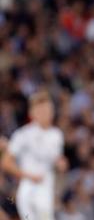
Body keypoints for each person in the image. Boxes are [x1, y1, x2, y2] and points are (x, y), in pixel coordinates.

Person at [1, 91, 67, 220]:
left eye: (48, 109)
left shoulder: (57, 135)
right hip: (30, 190)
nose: (45, 113)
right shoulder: (23, 134)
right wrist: (29, 176)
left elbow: (57, 163)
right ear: (32, 112)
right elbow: (5, 162)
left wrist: (61, 164)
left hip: (47, 189)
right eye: (41, 109)